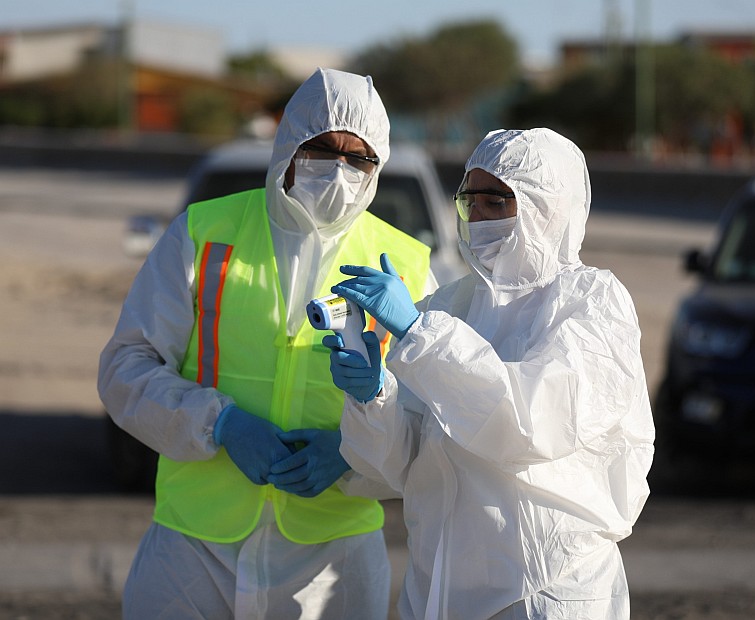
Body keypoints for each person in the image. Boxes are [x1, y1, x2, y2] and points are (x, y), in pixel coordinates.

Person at [98, 68, 435, 620]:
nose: (340, 168)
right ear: (290, 143)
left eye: (360, 157)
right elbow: (125, 369)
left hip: (334, 560)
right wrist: (222, 424)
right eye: (323, 147)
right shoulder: (203, 233)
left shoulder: (408, 268)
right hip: (193, 549)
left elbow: (430, 422)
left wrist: (352, 457)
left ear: (380, 164)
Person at [325, 128, 655, 619]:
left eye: (497, 201)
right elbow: (399, 464)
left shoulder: (591, 302)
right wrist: (374, 398)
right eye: (469, 200)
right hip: (438, 587)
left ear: (548, 208)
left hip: (545, 590)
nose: (477, 216)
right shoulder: (452, 304)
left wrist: (420, 334)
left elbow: (531, 423)